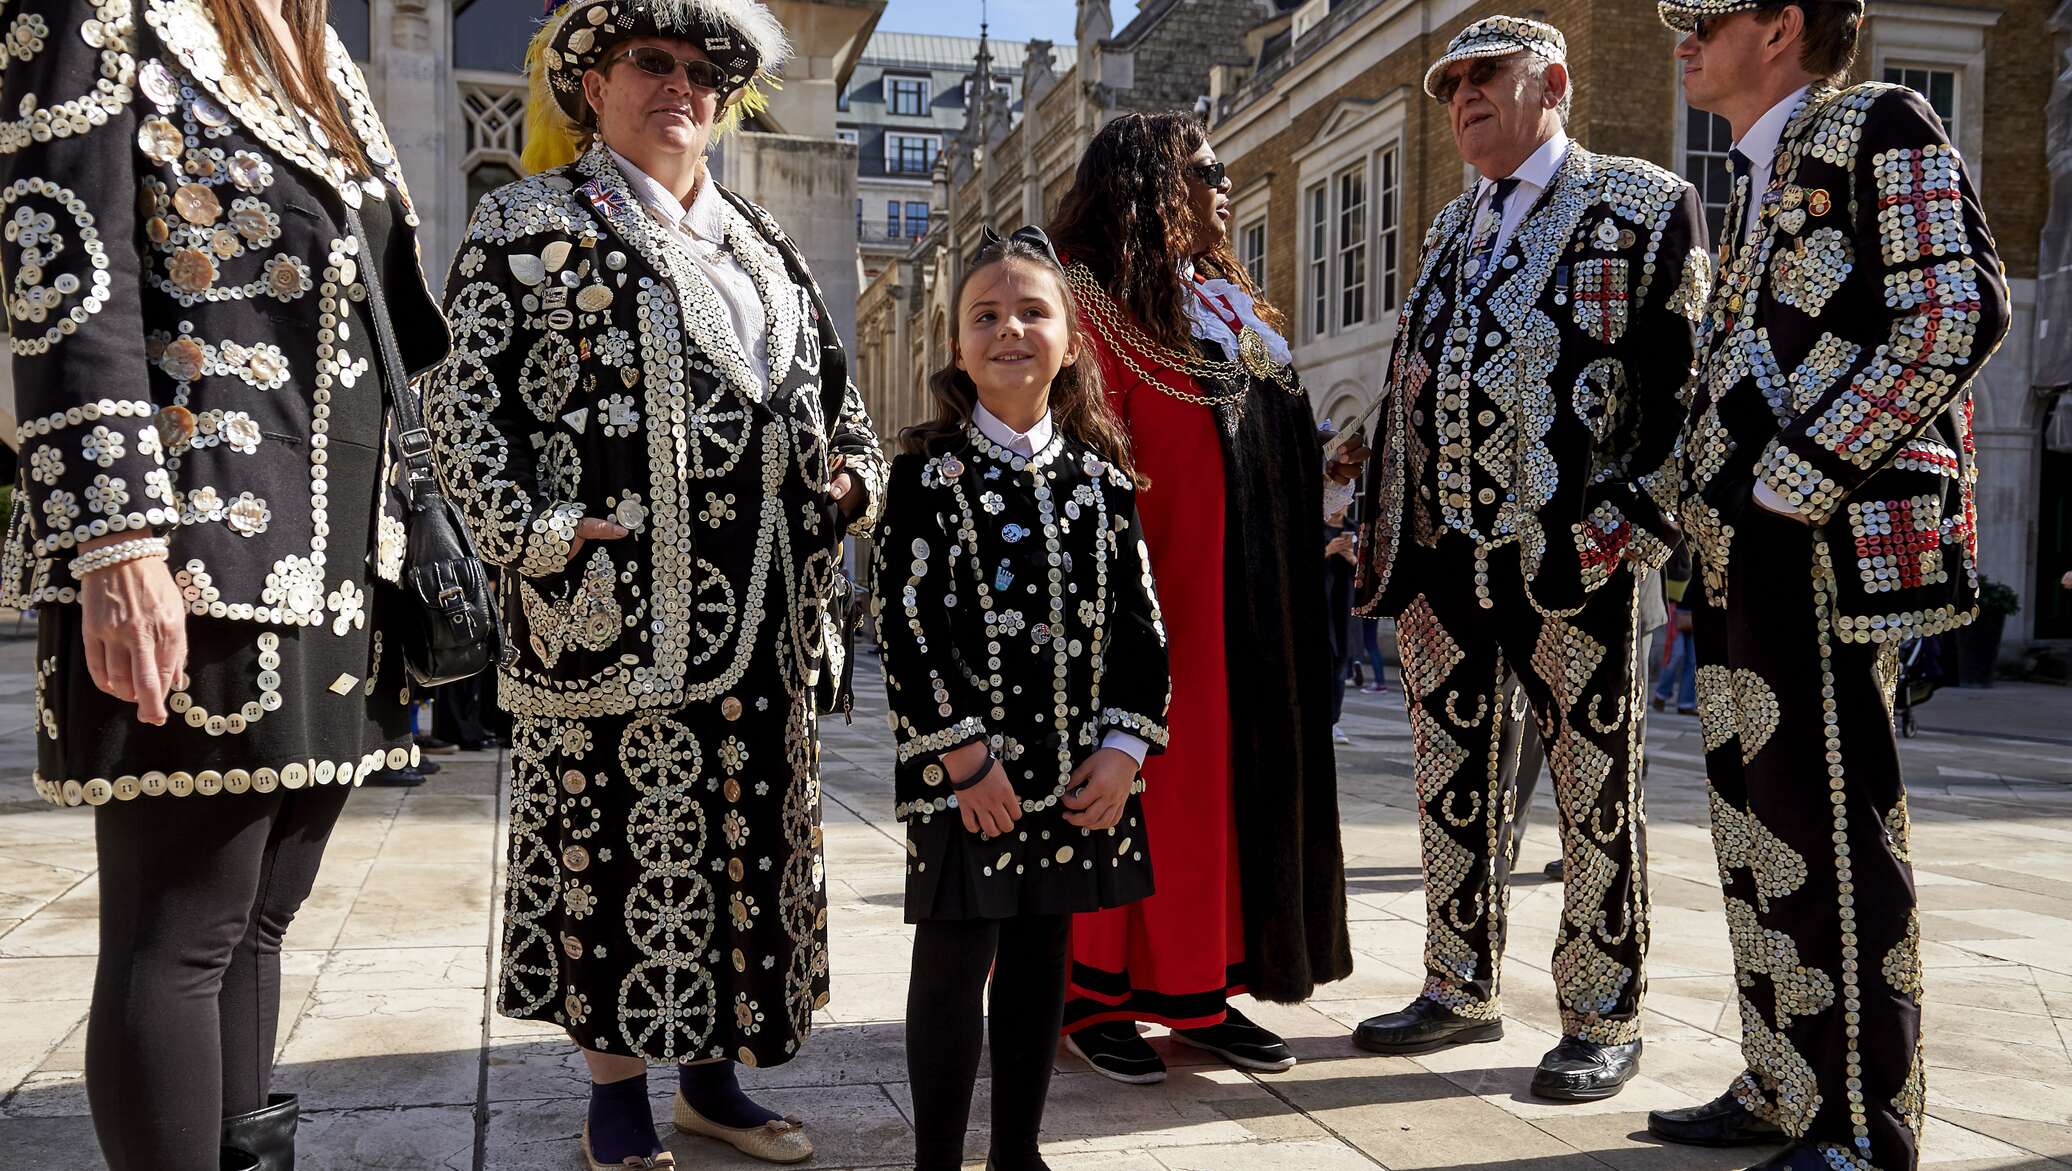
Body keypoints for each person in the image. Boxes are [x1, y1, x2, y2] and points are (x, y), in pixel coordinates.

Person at [421, 2, 886, 1166]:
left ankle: (711, 1081)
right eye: (651, 61)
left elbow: (846, 411)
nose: (680, 84)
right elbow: (460, 407)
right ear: (591, 82)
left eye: (702, 70)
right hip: (608, 615)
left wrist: (849, 488)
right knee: (616, 852)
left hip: (766, 623)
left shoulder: (767, 245)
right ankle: (616, 1097)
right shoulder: (524, 224)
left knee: (735, 856)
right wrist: (535, 535)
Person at [0, 0, 446, 1166]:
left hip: (338, 562)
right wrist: (114, 545)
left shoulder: (315, 55)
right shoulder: (96, 11)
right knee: (179, 933)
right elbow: (60, 269)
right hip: (190, 550)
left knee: (259, 920)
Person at [1647, 2, 2009, 1167]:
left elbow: (1958, 307)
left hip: (1822, 555)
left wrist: (1791, 480)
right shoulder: (1760, 176)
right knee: (1761, 839)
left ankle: (1862, 1121)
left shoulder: (1878, 124)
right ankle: (1786, 1080)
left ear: (1782, 23)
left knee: (1834, 841)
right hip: (1739, 559)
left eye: (1701, 16)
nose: (1680, 38)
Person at [1349, 16, 1709, 1102]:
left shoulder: (1643, 204)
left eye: (1480, 77)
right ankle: (1457, 983)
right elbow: (1411, 381)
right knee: (1445, 786)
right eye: (1446, 83)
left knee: (1592, 795)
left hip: (1575, 564)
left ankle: (1601, 1012)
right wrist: (1388, 543)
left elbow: (1679, 391)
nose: (1457, 96)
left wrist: (1622, 534)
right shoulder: (1452, 221)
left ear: (1549, 81)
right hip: (1443, 564)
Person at [1047, 111, 1359, 1084]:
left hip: (1237, 602)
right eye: (1201, 169)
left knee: (1213, 799)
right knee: (1129, 794)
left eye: (1223, 169)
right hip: (1137, 599)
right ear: (1142, 180)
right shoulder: (1077, 299)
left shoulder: (1217, 302)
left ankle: (1194, 990)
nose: (1221, 185)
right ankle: (1089, 997)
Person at [873, 226, 1170, 1171]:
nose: (1010, 329)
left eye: (1032, 312)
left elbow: (1142, 630)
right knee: (956, 963)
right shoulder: (922, 475)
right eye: (985, 316)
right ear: (956, 347)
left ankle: (1018, 1152)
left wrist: (1124, 751)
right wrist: (963, 758)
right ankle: (935, 1161)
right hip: (964, 779)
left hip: (1078, 775)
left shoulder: (1104, 482)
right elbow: (904, 629)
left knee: (1044, 957)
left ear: (1070, 341)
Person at [1325, 507, 1360, 742]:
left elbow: (1369, 573)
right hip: (1321, 605)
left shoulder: (1354, 529)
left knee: (1340, 665)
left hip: (1345, 607)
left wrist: (1352, 558)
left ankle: (1333, 721)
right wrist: (1327, 551)